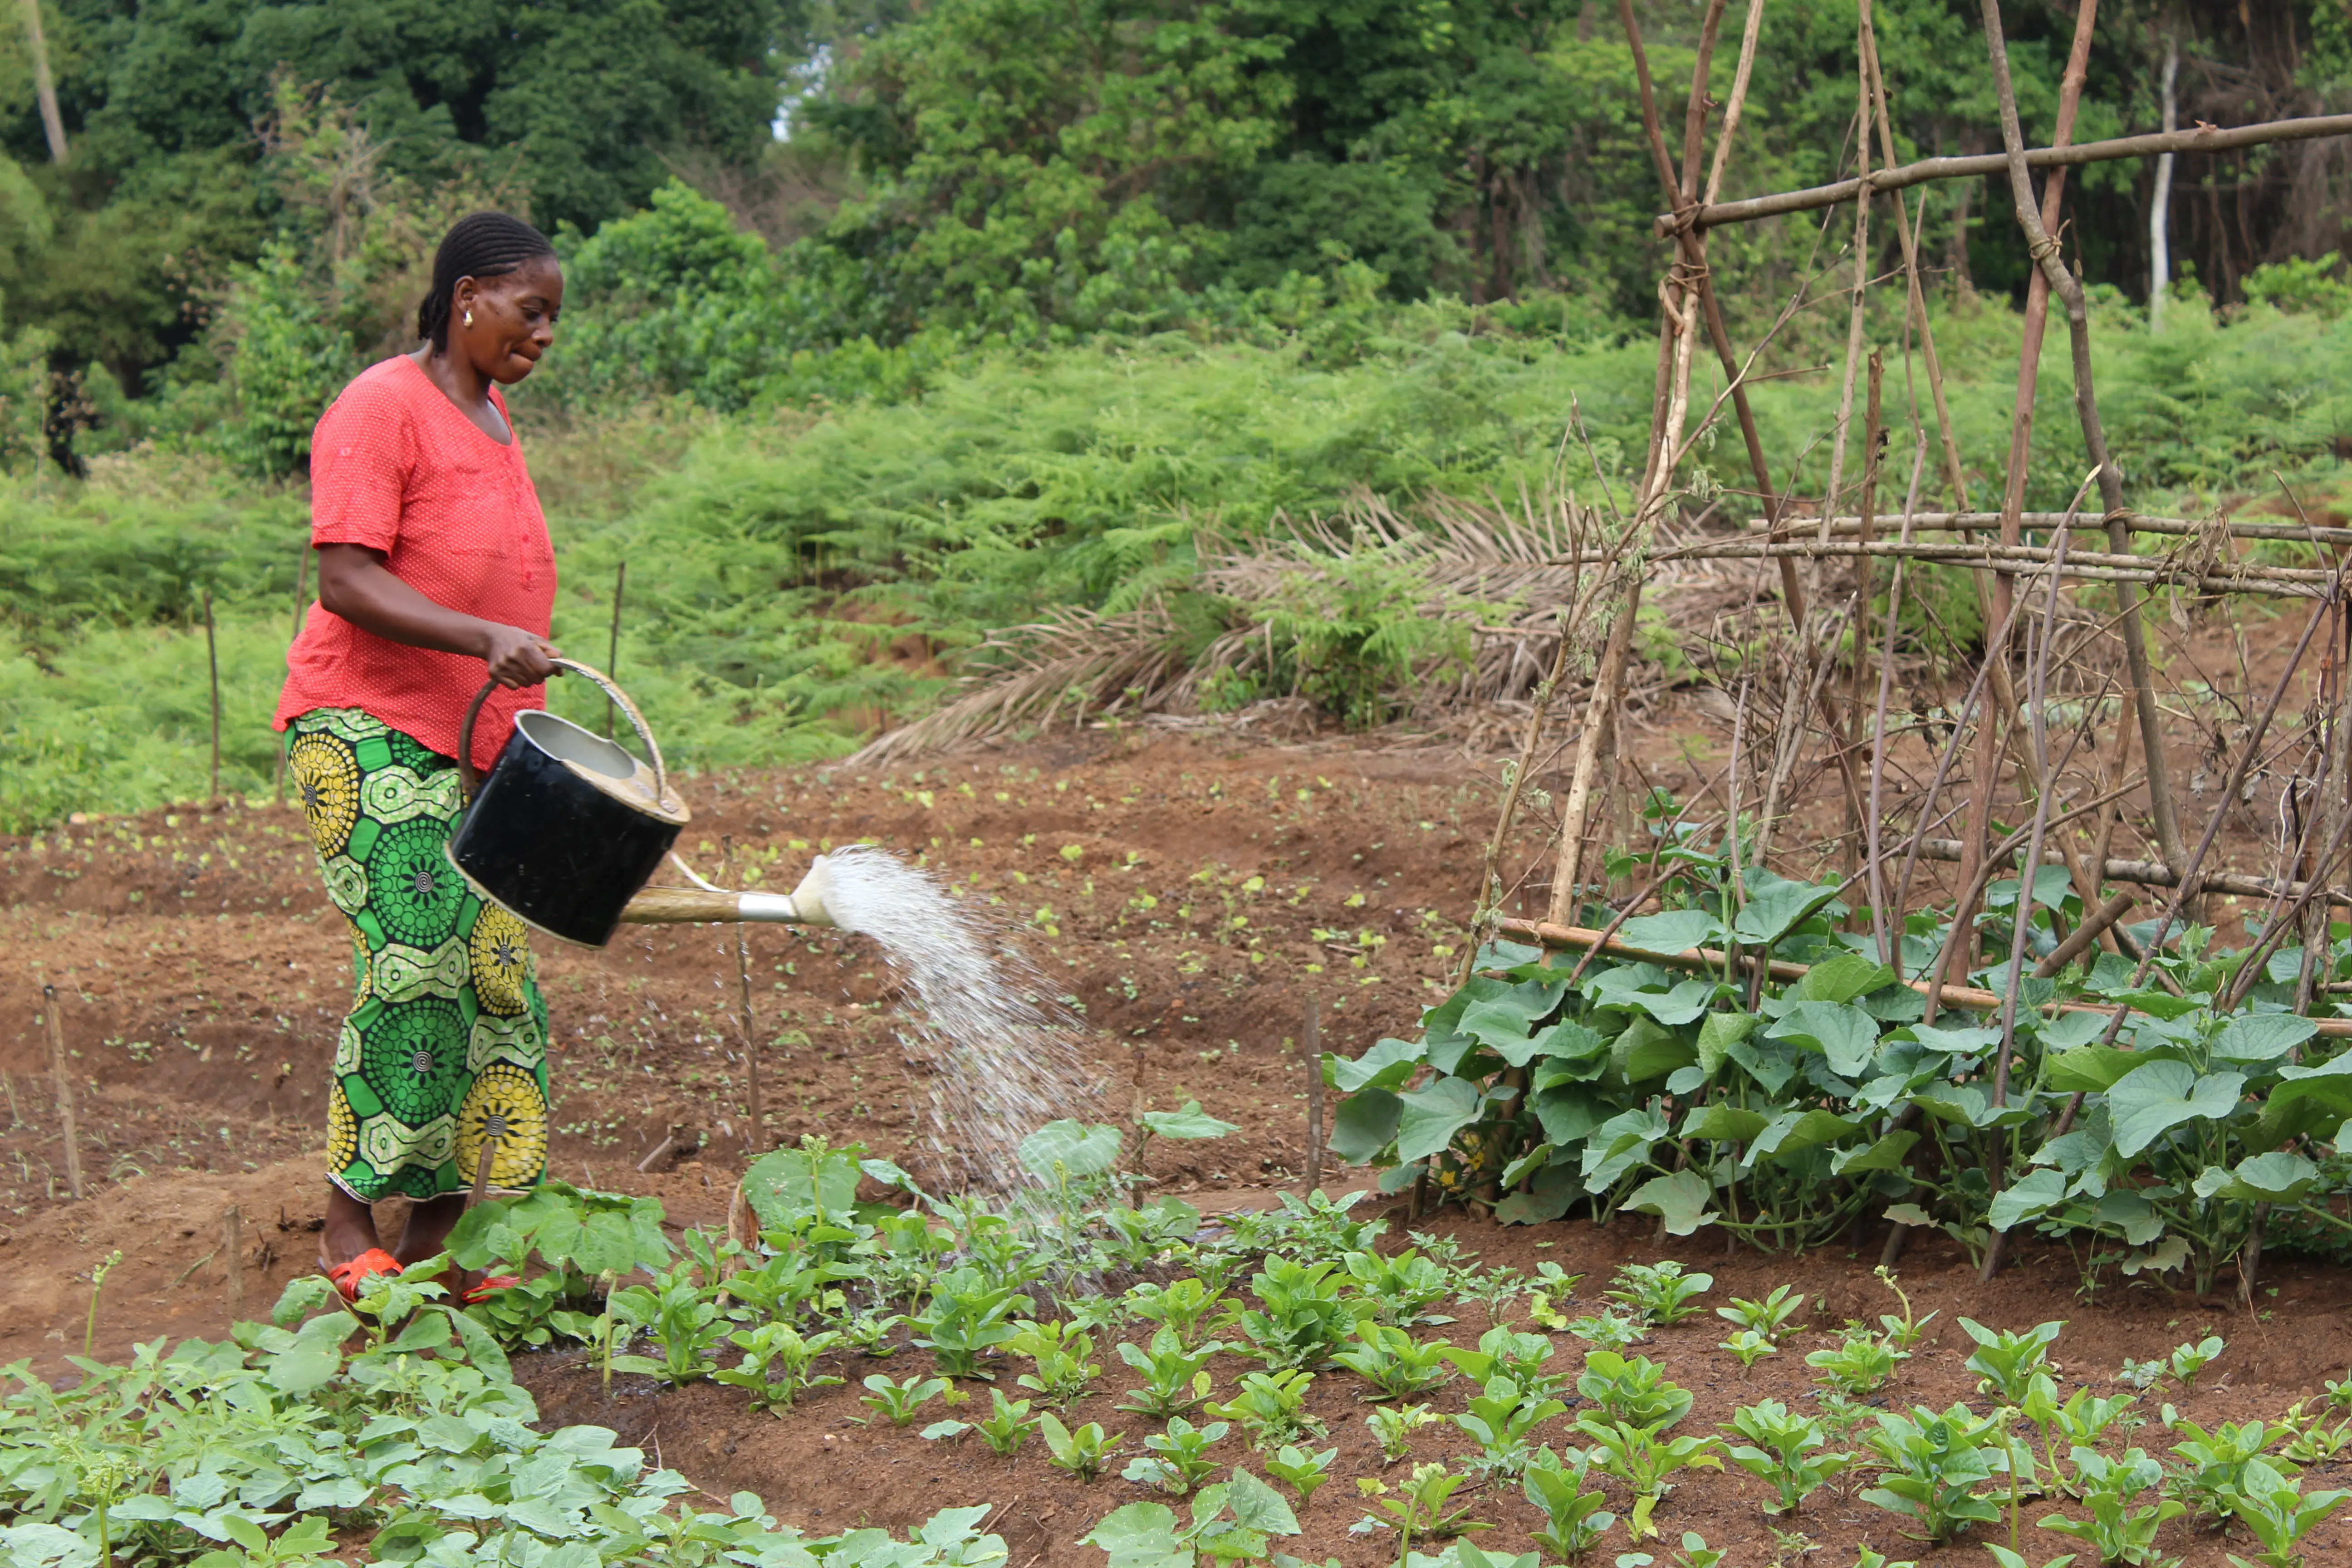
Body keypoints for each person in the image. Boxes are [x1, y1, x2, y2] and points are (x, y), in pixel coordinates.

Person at [274, 211, 566, 1303]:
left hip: (475, 742)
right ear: (466, 299)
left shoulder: (491, 417)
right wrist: (484, 636)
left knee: (495, 974)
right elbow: (346, 578)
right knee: (416, 945)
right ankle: (350, 1220)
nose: (543, 335)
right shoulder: (380, 405)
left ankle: (445, 1244)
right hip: (362, 722)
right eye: (529, 312)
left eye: (552, 319)